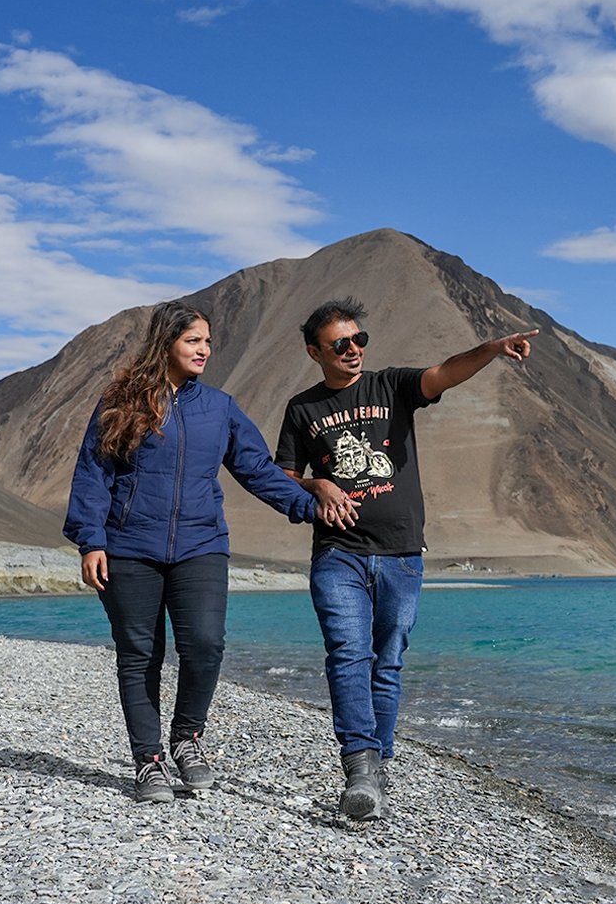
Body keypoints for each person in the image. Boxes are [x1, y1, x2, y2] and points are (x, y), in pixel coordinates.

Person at [64, 300, 355, 803]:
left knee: (205, 645)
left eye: (207, 340)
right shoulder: (123, 400)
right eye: (193, 340)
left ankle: (186, 737)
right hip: (129, 546)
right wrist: (91, 540)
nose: (204, 349)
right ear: (167, 343)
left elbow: (258, 471)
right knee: (140, 654)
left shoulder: (219, 407)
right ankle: (147, 760)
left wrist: (310, 506)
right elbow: (94, 471)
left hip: (201, 544)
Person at [274, 297, 538, 820]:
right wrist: (315, 484)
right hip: (338, 552)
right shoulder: (302, 408)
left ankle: (379, 765)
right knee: (349, 653)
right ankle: (359, 766)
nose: (352, 350)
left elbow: (444, 374)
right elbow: (281, 478)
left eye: (358, 340)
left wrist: (491, 348)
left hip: (400, 553)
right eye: (339, 344)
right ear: (314, 352)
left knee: (387, 662)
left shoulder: (390, 385)